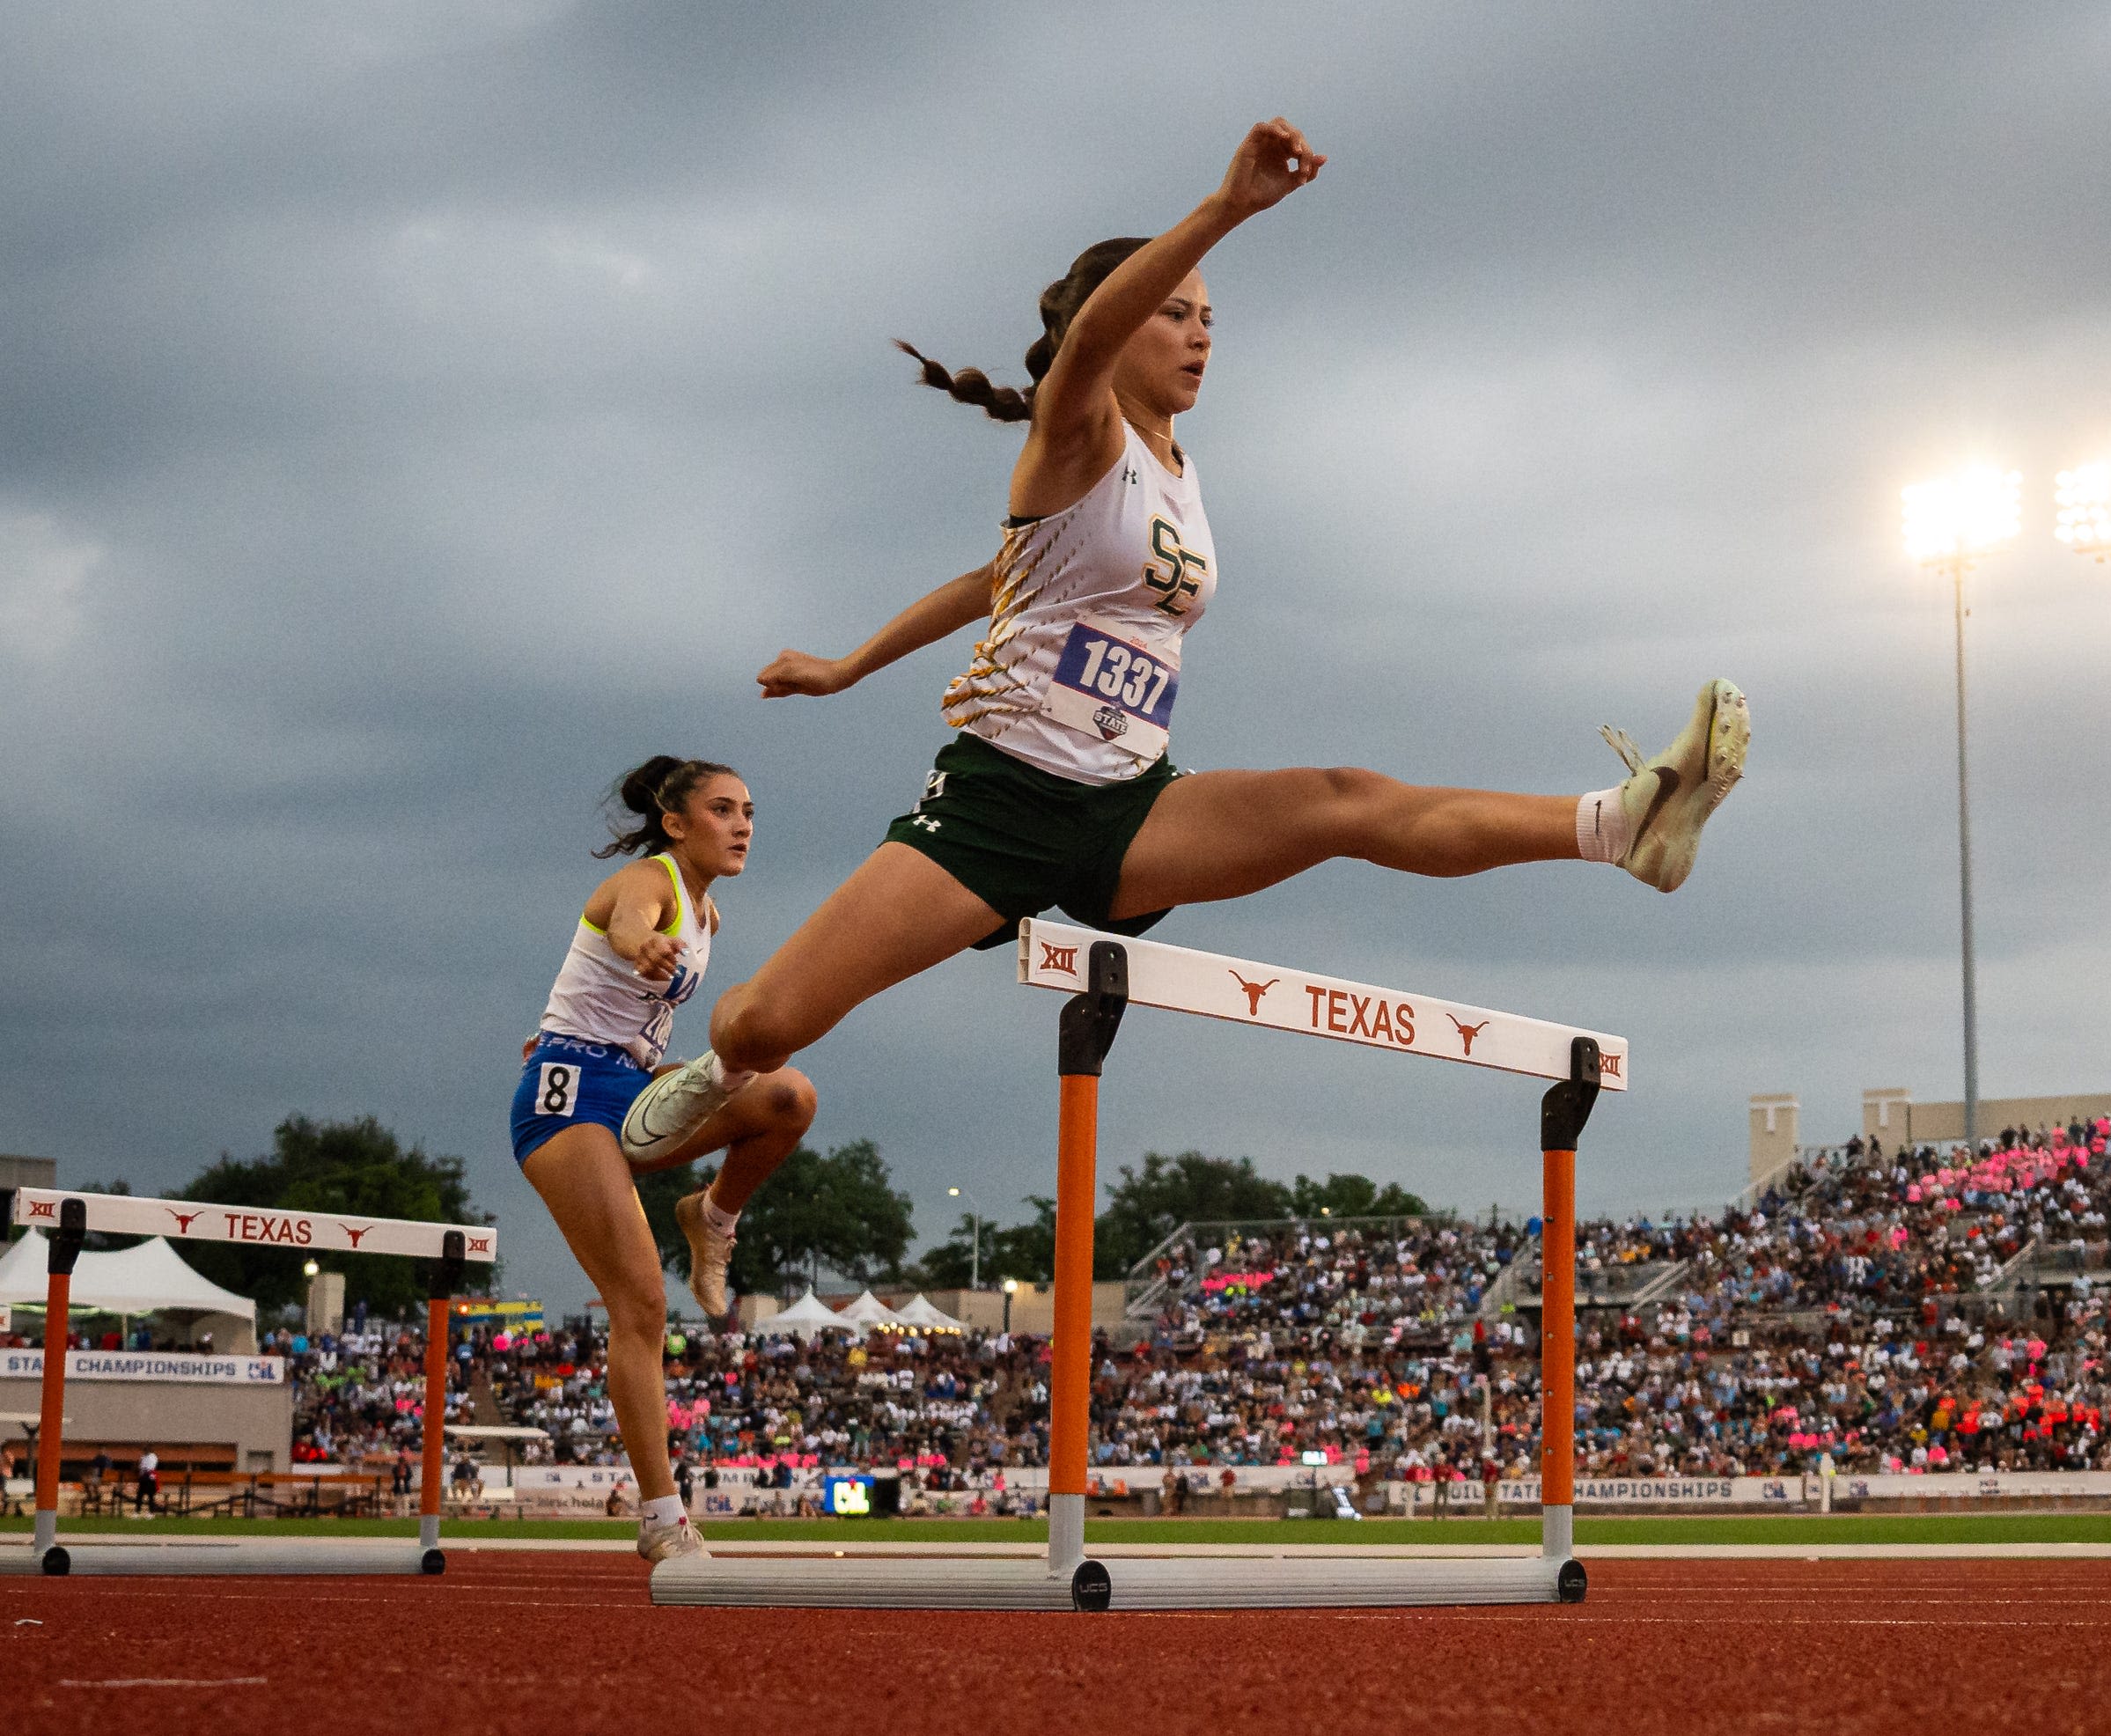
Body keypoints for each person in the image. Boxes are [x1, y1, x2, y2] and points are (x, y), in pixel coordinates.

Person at [618, 117, 1749, 1167]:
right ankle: (719, 1069)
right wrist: (1227, 208)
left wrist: (850, 662)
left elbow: (992, 581)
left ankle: (1619, 825)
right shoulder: (1076, 435)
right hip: (998, 807)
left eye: (1213, 317)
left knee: (1342, 795)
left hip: (1127, 805)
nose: (1202, 332)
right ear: (1113, 328)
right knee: (763, 1022)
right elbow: (1092, 347)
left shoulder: (1175, 474)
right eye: (1178, 311)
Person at [511, 757, 820, 1562]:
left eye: (750, 809)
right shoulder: (652, 879)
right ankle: (660, 1517)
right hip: (569, 1096)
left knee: (789, 1098)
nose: (744, 824)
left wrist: (657, 1066)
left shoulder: (710, 920)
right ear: (677, 822)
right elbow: (624, 926)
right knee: (642, 1304)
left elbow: (633, 1016)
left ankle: (711, 1214)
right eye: (723, 809)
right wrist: (642, 943)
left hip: (634, 1088)